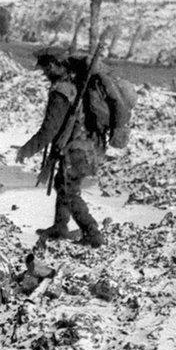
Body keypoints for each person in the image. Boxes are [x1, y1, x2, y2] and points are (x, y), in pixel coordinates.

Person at [15, 47, 106, 247]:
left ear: (56, 65)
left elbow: (48, 130)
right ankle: (60, 226)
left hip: (76, 149)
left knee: (69, 191)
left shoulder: (61, 92)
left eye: (46, 67)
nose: (44, 72)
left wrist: (27, 150)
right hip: (86, 146)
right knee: (62, 183)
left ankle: (92, 231)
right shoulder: (74, 83)